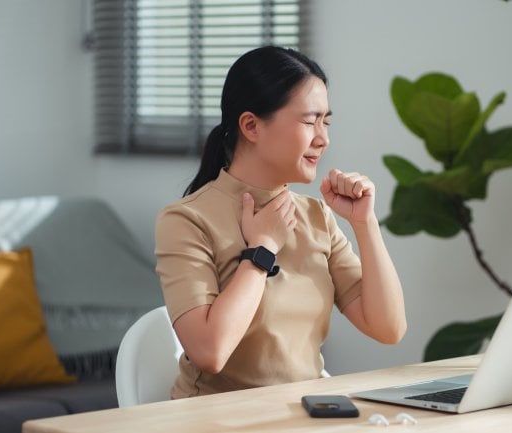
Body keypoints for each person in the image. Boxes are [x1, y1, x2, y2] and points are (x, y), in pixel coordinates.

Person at [154, 46, 406, 398]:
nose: (323, 138)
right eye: (309, 121)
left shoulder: (317, 217)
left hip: (305, 414)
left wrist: (365, 225)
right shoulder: (186, 220)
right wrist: (261, 250)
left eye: (326, 121)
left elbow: (388, 328)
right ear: (251, 125)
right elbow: (209, 352)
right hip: (215, 421)